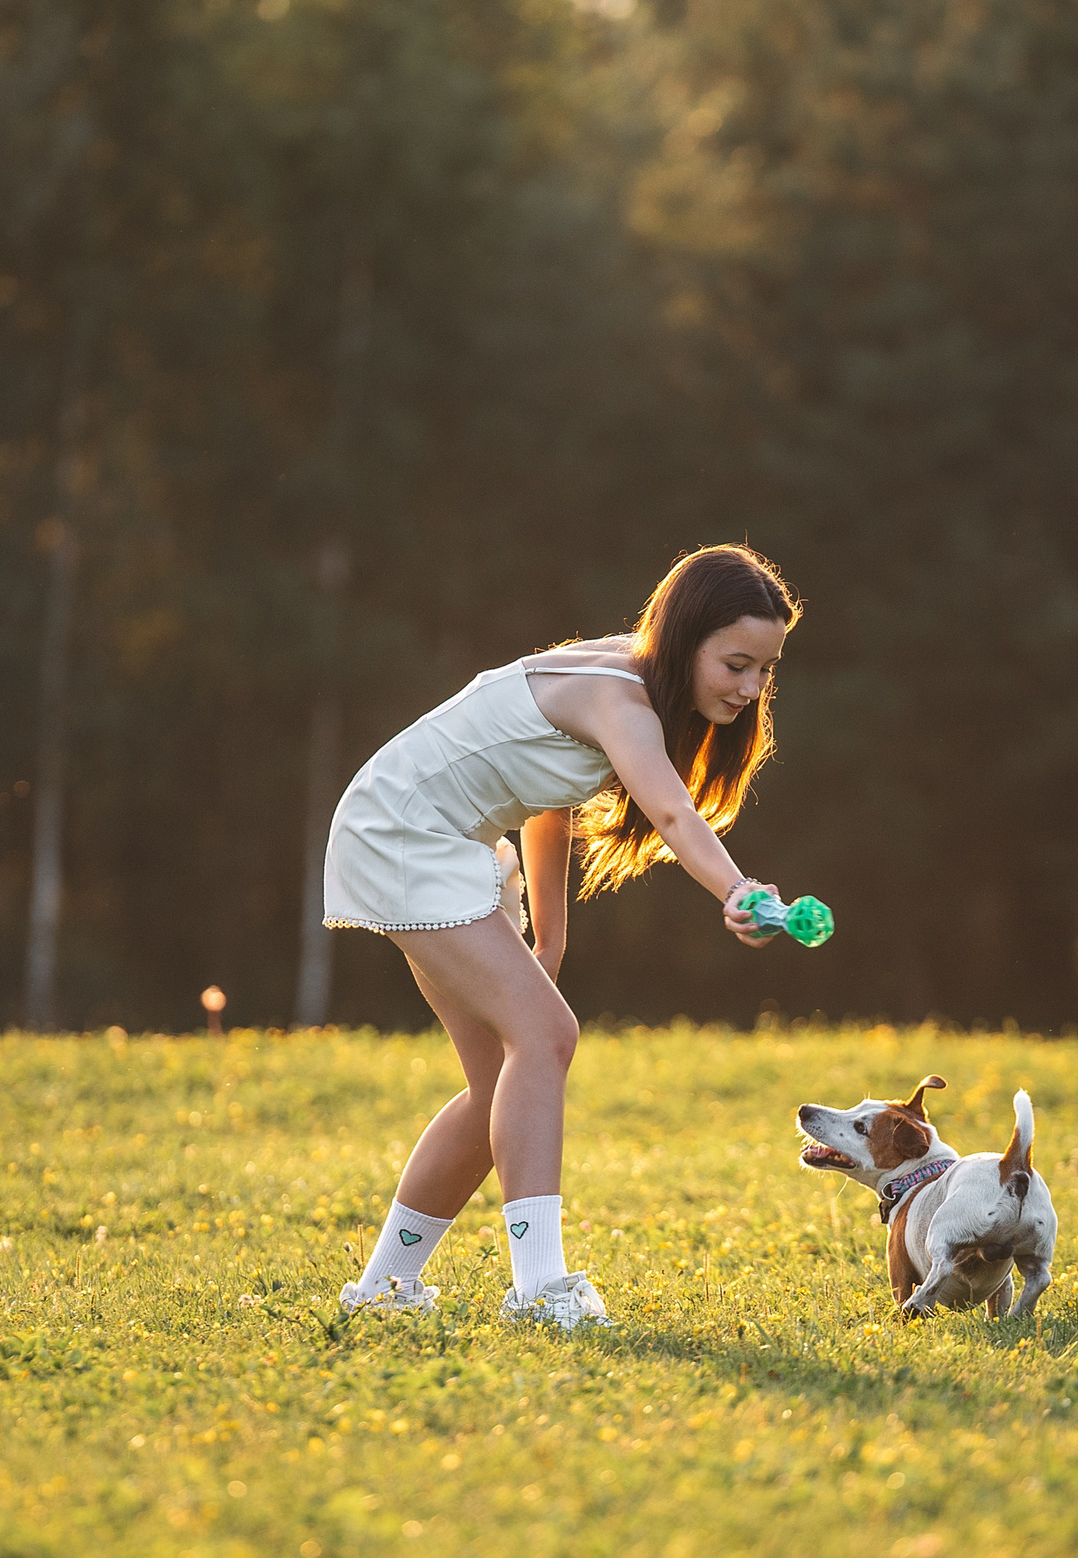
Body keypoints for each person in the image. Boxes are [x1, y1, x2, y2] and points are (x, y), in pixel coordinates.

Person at [323, 544, 803, 1328]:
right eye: (737, 664)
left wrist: (550, 940)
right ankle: (540, 1289)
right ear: (687, 640)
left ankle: (381, 1287)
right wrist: (738, 890)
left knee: (499, 1088)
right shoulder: (620, 698)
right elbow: (677, 815)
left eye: (765, 672)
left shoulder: (626, 682)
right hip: (405, 833)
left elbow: (547, 798)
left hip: (439, 839)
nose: (750, 690)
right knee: (546, 1037)